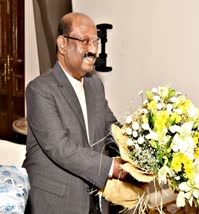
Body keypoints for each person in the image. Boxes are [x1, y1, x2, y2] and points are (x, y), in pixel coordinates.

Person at [23, 12, 128, 214]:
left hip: (97, 201)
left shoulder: (95, 86)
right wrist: (111, 167)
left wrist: (143, 146)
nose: (94, 50)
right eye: (85, 41)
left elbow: (111, 129)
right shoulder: (39, 89)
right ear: (62, 44)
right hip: (56, 204)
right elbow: (59, 147)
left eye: (96, 42)